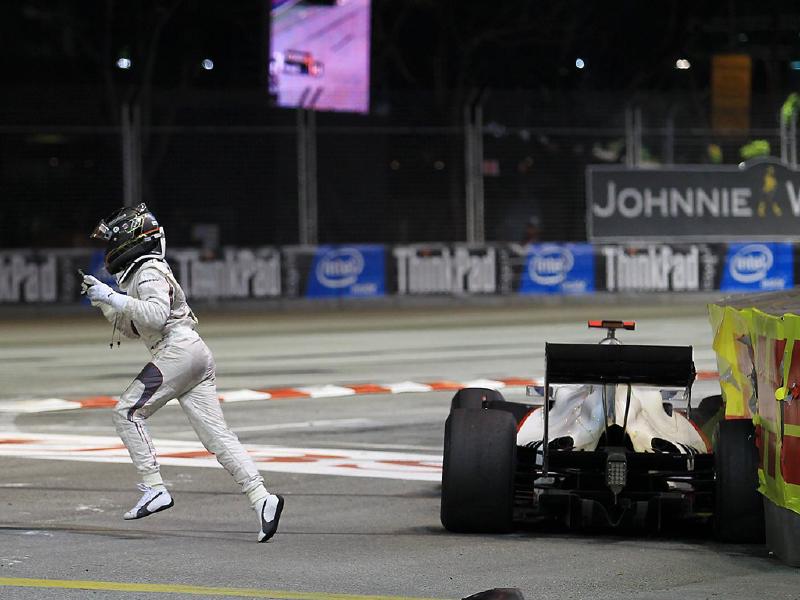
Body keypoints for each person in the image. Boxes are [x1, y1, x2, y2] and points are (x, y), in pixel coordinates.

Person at [82, 203, 283, 543]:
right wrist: (104, 302)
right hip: (191, 352)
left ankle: (155, 487)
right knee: (218, 437)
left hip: (177, 350)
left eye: (112, 241)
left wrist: (114, 298)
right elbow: (136, 327)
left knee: (127, 412)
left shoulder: (146, 270)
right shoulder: (144, 270)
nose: (109, 249)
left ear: (130, 239)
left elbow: (156, 316)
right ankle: (262, 498)